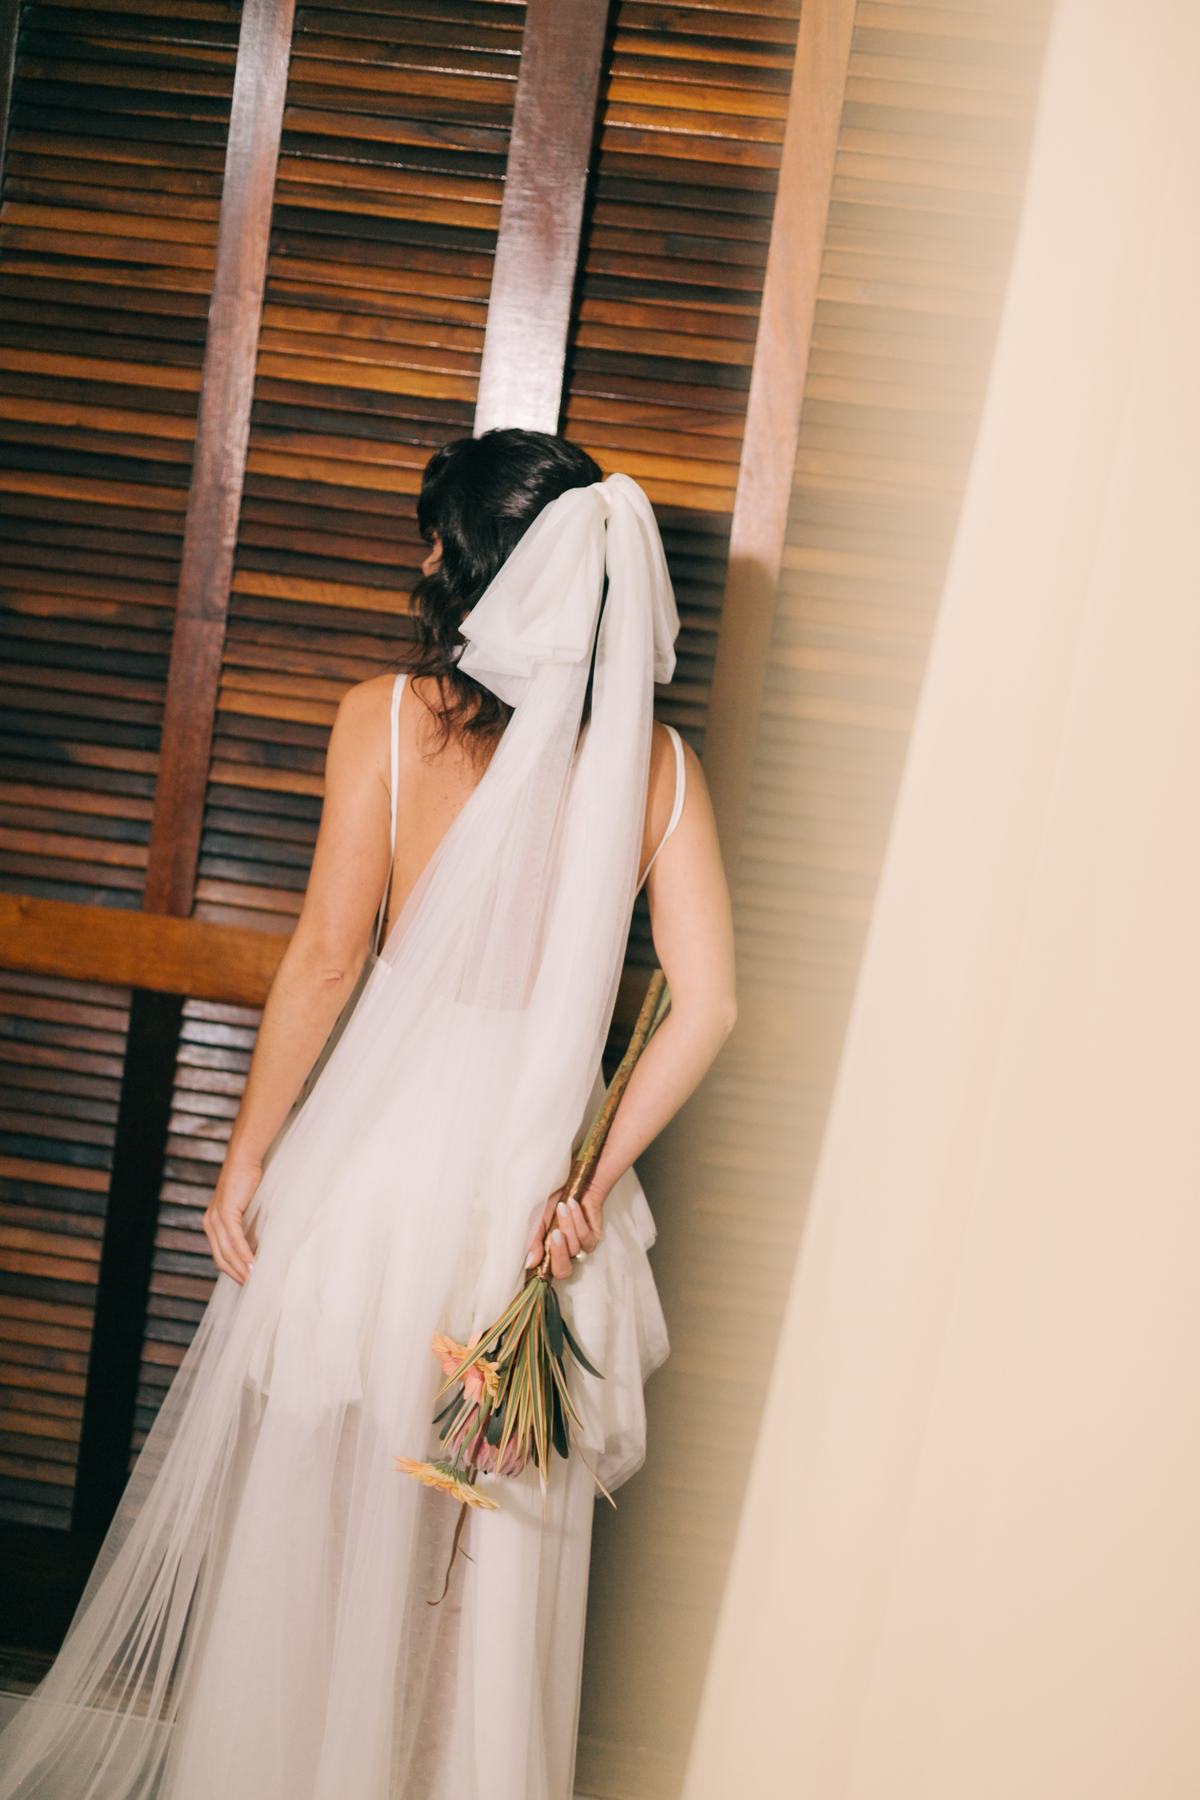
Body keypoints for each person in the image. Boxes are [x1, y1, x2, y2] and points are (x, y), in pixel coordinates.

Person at [0, 430, 736, 1800]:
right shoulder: (659, 767)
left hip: (385, 1161)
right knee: (492, 1549)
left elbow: (330, 958)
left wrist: (249, 1154)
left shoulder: (386, 719)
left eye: (436, 539)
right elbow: (709, 1005)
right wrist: (582, 1189)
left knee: (327, 1519)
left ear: (469, 569)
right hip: (533, 1178)